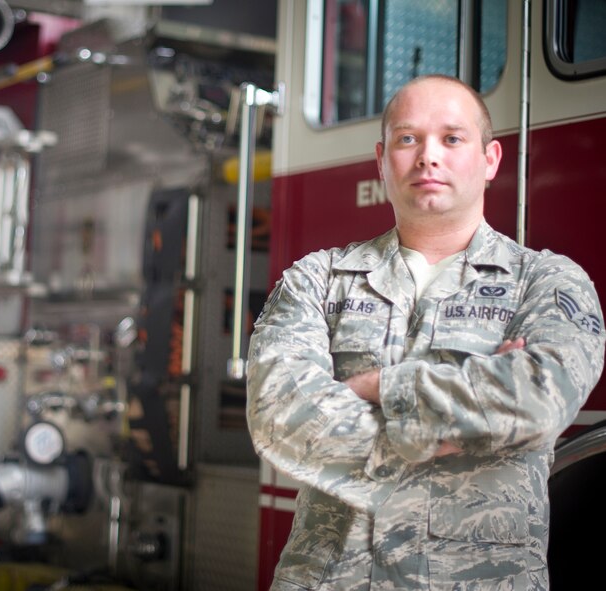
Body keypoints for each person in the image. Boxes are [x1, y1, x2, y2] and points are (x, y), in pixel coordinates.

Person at [246, 74, 605, 590]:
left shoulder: (548, 283)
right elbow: (278, 416)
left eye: (452, 138)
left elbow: (539, 400)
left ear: (490, 160)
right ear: (381, 158)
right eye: (407, 138)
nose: (427, 157)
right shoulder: (316, 279)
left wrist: (378, 388)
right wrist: (468, 414)